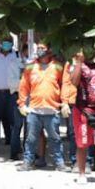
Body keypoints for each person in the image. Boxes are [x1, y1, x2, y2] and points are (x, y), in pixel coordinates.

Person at [17, 40, 70, 172]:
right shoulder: (30, 67)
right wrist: (22, 103)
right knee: (30, 139)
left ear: (49, 50)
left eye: (42, 48)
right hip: (34, 110)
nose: (40, 50)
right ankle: (27, 162)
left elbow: (64, 85)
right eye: (38, 48)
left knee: (55, 139)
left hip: (52, 110)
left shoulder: (58, 67)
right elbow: (23, 86)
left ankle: (59, 163)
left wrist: (65, 102)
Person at [66, 50, 95, 184]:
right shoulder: (78, 66)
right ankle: (81, 173)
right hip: (83, 110)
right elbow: (74, 82)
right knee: (82, 143)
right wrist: (79, 62)